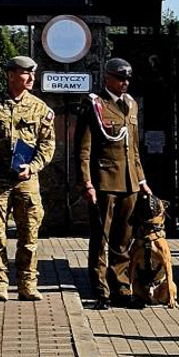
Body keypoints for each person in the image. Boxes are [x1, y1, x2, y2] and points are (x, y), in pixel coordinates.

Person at [0, 56, 55, 301]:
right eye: (26, 73)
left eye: (33, 74)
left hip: (25, 181)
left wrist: (34, 166)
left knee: (29, 235)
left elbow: (47, 144)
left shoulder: (40, 108)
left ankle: (27, 283)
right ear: (11, 75)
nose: (31, 78)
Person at [76, 57, 150, 309]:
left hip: (129, 182)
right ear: (107, 77)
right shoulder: (94, 104)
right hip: (104, 181)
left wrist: (142, 180)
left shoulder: (131, 105)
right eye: (120, 78)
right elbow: (83, 150)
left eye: (127, 79)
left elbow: (134, 149)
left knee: (123, 240)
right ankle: (100, 291)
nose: (125, 83)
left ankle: (120, 288)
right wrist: (86, 182)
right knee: (101, 239)